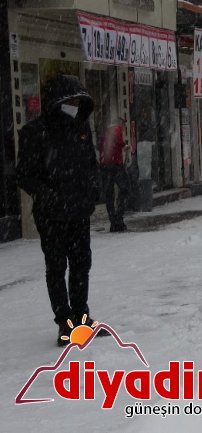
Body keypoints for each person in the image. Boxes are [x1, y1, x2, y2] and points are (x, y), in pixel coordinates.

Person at [15, 74, 107, 346]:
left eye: (79, 101)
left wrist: (91, 192)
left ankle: (81, 316)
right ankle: (65, 322)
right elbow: (25, 175)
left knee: (81, 265)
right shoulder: (36, 132)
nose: (76, 105)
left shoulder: (81, 128)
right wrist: (48, 196)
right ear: (59, 101)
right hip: (52, 215)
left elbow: (90, 164)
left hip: (78, 211)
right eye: (72, 100)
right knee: (56, 267)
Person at [97, 117, 131, 232]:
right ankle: (118, 218)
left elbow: (99, 145)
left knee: (109, 194)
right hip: (115, 165)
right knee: (125, 189)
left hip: (105, 166)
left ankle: (113, 222)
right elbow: (117, 139)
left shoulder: (105, 131)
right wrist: (124, 145)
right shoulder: (117, 128)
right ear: (121, 123)